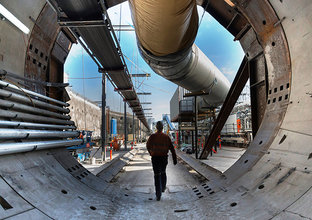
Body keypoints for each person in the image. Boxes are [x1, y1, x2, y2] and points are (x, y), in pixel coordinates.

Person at [146, 121, 177, 201]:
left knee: (157, 175)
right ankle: (163, 187)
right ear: (162, 128)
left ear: (156, 127)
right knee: (163, 172)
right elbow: (172, 149)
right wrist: (174, 159)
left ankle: (158, 194)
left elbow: (148, 146)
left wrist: (151, 153)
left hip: (155, 158)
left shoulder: (152, 136)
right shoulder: (166, 137)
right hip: (163, 158)